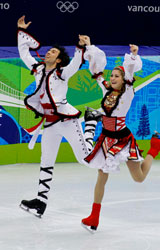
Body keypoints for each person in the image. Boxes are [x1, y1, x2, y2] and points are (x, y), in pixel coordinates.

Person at [80, 38, 160, 232]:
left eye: (116, 76)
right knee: (101, 175)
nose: (112, 78)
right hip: (106, 138)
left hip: (122, 139)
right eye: (112, 75)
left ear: (124, 80)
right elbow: (97, 73)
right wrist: (89, 46)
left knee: (138, 178)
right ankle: (94, 217)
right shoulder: (107, 89)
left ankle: (154, 148)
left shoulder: (128, 91)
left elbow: (129, 72)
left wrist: (133, 55)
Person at [17, 16, 98, 217]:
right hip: (51, 125)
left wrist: (81, 47)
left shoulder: (62, 74)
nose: (48, 53)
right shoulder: (37, 70)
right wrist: (21, 32)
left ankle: (90, 125)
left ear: (59, 59)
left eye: (53, 52)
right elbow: (24, 54)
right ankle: (41, 202)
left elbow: (77, 63)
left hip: (67, 121)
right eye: (49, 51)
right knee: (46, 160)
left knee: (85, 159)